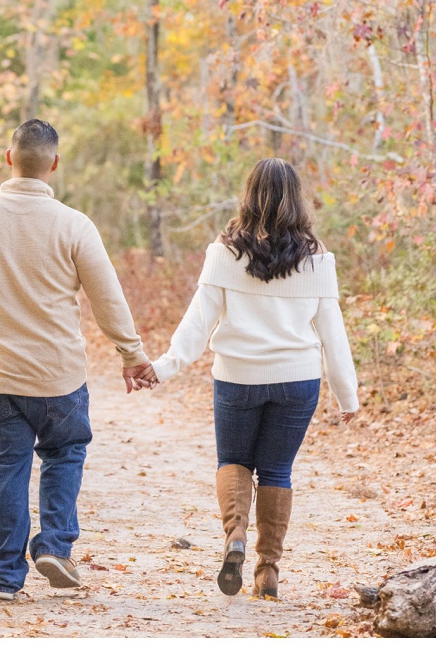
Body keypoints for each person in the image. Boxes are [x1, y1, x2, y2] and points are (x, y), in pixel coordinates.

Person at [0, 119, 156, 601]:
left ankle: (4, 578)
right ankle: (54, 545)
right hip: (59, 378)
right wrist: (131, 353)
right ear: (54, 164)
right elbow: (106, 298)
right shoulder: (73, 224)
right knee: (65, 454)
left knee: (6, 470)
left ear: (9, 159)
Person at [148, 158, 358, 600]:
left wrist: (165, 366)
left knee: (234, 462)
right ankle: (267, 572)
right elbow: (332, 334)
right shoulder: (318, 260)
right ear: (296, 200)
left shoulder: (224, 254)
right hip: (297, 381)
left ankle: (235, 537)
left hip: (237, 377)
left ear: (249, 196)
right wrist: (347, 396)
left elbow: (197, 323)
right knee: (277, 470)